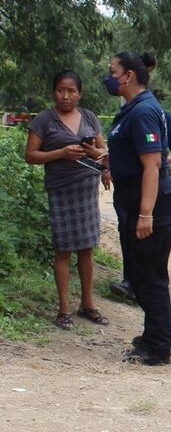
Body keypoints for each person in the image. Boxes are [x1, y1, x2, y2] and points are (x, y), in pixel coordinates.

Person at [105, 52, 171, 365]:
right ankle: (161, 334)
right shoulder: (133, 109)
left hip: (153, 204)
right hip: (137, 201)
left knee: (149, 275)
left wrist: (146, 214)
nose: (109, 77)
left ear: (129, 76)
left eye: (113, 72)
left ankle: (158, 346)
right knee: (142, 274)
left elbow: (152, 166)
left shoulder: (143, 111)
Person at [24, 70, 110, 329]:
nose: (65, 96)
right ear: (54, 92)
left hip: (86, 189)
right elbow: (31, 155)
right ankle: (63, 309)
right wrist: (61, 153)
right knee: (63, 249)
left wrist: (100, 161)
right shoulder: (44, 120)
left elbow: (103, 150)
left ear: (79, 94)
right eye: (61, 90)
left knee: (87, 248)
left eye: (71, 91)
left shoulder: (89, 117)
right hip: (61, 190)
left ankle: (88, 304)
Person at [107, 88, 171, 300]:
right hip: (127, 191)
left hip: (151, 189)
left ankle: (146, 288)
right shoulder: (126, 117)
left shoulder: (154, 115)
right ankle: (130, 280)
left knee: (149, 246)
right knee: (126, 233)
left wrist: (159, 161)